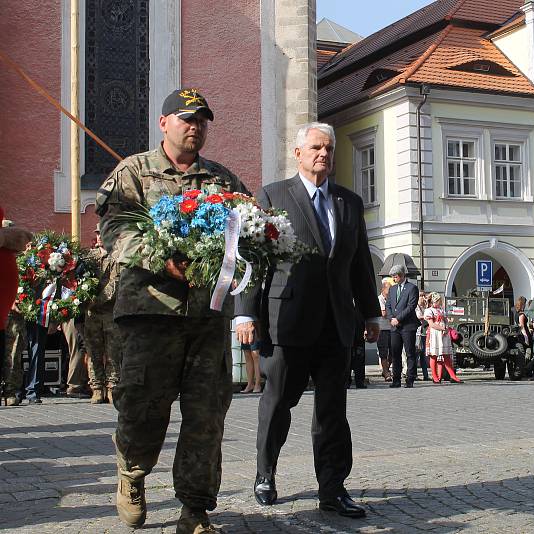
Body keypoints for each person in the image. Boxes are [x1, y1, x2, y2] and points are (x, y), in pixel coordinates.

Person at [96, 88, 249, 533]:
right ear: (164, 123)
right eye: (186, 118)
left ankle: (195, 510)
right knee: (143, 406)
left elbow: (249, 230)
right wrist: (155, 255)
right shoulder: (134, 172)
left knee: (206, 415)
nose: (195, 126)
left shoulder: (222, 181)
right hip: (150, 313)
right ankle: (132, 473)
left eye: (202, 119)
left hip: (207, 316)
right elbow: (113, 225)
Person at [235, 122, 380, 519]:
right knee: (278, 403)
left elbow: (359, 262)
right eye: (316, 147)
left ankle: (333, 489)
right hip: (287, 321)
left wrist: (371, 312)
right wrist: (245, 312)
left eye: (329, 149)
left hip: (336, 322)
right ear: (298, 153)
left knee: (333, 412)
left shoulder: (349, 202)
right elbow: (253, 258)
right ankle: (265, 474)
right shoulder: (273, 195)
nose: (324, 155)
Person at [84, 224, 122, 404]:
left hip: (110, 312)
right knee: (93, 351)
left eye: (102, 234)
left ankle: (112, 386)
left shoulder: (116, 258)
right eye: (97, 234)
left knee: (113, 351)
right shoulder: (88, 258)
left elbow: (115, 284)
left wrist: (95, 300)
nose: (99, 237)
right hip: (92, 314)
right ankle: (97, 387)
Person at [0, 212, 32, 405]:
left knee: (14, 353)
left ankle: (11, 391)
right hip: (6, 310)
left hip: (17, 314)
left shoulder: (29, 261)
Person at [385, 264, 421, 388]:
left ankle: (410, 379)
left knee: (410, 353)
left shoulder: (412, 288)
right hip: (395, 327)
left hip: (407, 326)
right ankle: (396, 380)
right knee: (395, 353)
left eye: (395, 277)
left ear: (401, 275)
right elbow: (388, 305)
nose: (393, 279)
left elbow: (411, 306)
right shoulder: (393, 289)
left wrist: (398, 318)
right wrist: (391, 318)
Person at [424, 292, 461, 383]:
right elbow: (431, 324)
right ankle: (435, 376)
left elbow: (445, 320)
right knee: (434, 355)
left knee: (446, 355)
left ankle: (453, 376)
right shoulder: (429, 310)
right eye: (438, 301)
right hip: (435, 334)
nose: (439, 302)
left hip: (443, 334)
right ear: (433, 301)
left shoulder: (441, 310)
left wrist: (446, 328)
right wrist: (442, 328)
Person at [376, 278, 393, 381]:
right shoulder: (380, 299)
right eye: (388, 291)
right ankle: (386, 372)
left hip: (391, 328)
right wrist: (392, 311)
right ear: (383, 290)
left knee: (393, 352)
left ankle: (386, 369)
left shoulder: (390, 299)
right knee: (383, 352)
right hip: (382, 329)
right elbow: (384, 314)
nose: (390, 294)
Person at [514, 296, 531, 380]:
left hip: (519, 334)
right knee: (527, 353)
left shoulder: (516, 313)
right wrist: (526, 338)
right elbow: (522, 326)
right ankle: (525, 370)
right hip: (523, 334)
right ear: (523, 304)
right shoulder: (521, 314)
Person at [414, 292, 430, 381]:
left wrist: (427, 305)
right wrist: (427, 317)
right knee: (416, 354)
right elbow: (418, 316)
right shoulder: (415, 306)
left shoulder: (425, 307)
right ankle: (414, 374)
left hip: (424, 333)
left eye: (424, 295)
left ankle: (426, 375)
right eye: (421, 296)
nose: (423, 297)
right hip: (417, 333)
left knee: (424, 355)